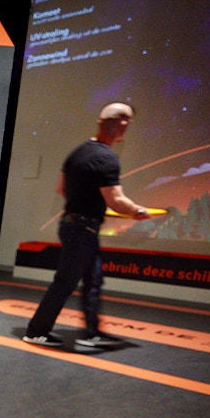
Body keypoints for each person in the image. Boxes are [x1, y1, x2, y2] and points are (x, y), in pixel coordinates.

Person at [23, 102, 155, 349]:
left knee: (92, 280)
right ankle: (36, 331)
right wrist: (138, 211)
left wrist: (86, 202)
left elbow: (61, 189)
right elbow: (116, 201)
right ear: (122, 125)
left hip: (76, 226)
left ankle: (91, 332)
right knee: (65, 281)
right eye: (126, 122)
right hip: (83, 228)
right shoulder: (107, 157)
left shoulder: (78, 152)